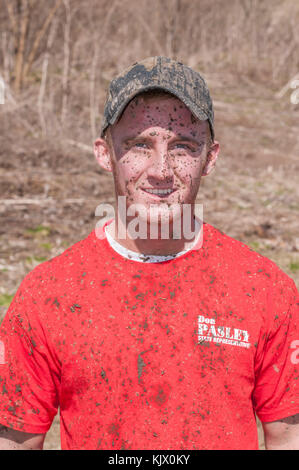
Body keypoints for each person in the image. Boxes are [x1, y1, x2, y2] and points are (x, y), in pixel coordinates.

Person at [0, 56, 298, 450]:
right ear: (105, 153)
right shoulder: (49, 294)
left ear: (210, 158)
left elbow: (288, 437)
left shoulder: (263, 289)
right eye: (139, 145)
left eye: (183, 147)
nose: (160, 169)